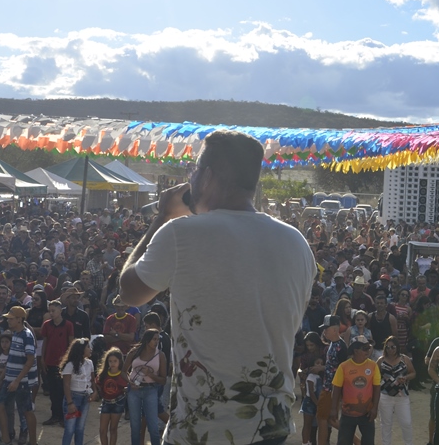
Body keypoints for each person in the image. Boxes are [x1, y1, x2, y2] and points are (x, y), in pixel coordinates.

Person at [120, 130, 317, 445]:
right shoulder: (297, 242)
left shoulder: (180, 233)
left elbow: (129, 292)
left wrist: (162, 217)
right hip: (273, 427)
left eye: (194, 170)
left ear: (208, 176)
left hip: (205, 430)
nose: (192, 178)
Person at [0, 305, 38, 445]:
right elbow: (11, 360)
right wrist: (1, 380)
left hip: (21, 381)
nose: (8, 321)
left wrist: (17, 381)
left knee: (26, 411)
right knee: (0, 404)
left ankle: (32, 441)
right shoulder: (16, 334)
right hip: (11, 379)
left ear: (19, 319)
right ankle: (6, 439)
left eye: (11, 319)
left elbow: (30, 360)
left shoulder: (26, 335)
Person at [329, 335, 381, 445]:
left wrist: (375, 408)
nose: (368, 350)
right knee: (344, 442)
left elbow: (377, 387)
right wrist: (333, 409)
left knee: (368, 442)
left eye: (369, 347)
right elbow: (336, 388)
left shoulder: (373, 366)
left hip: (367, 414)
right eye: (365, 348)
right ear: (355, 350)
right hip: (348, 414)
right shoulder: (343, 367)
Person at [124, 329, 166, 445]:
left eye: (158, 339)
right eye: (154, 339)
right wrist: (129, 382)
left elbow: (163, 380)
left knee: (153, 427)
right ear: (147, 340)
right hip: (134, 390)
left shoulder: (160, 355)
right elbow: (123, 371)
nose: (156, 342)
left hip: (151, 389)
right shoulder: (135, 352)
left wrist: (150, 374)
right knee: (135, 426)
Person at [376, 335, 416, 445]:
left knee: (406, 423)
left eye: (393, 347)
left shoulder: (404, 359)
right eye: (388, 347)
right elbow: (375, 376)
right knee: (386, 424)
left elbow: (413, 373)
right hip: (385, 396)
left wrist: (406, 378)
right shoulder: (381, 360)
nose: (390, 350)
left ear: (397, 347)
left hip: (402, 396)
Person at [41, 299, 74, 426]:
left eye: (53, 310)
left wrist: (70, 360)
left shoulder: (68, 325)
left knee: (63, 390)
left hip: (63, 362)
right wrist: (43, 358)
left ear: (60, 311)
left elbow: (71, 343)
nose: (51, 313)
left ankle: (64, 416)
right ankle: (55, 415)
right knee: (53, 391)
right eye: (50, 311)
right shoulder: (47, 325)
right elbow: (45, 341)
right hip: (50, 360)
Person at [318, 315, 349, 445]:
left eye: (327, 328)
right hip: (329, 386)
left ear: (335, 330)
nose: (324, 331)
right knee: (329, 419)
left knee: (322, 418)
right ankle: (356, 440)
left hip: (331, 388)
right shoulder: (333, 344)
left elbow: (343, 370)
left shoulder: (341, 346)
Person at [60, 338, 96, 445]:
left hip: (85, 398)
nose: (90, 349)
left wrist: (95, 392)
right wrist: (70, 402)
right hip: (74, 397)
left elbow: (92, 379)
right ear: (81, 349)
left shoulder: (90, 363)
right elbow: (66, 384)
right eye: (88, 347)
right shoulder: (70, 365)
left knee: (80, 428)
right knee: (70, 429)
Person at [93, 348, 128, 445]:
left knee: (113, 429)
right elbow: (97, 383)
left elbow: (127, 386)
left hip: (118, 403)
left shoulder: (122, 375)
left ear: (120, 361)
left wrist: (126, 389)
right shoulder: (104, 374)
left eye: (115, 361)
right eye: (110, 361)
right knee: (102, 430)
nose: (112, 363)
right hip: (106, 403)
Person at [300, 356, 323, 445]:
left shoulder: (319, 377)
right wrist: (317, 404)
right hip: (310, 402)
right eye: (317, 363)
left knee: (313, 424)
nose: (319, 365)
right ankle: (305, 442)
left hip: (315, 402)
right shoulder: (311, 376)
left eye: (321, 364)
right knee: (307, 424)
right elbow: (311, 392)